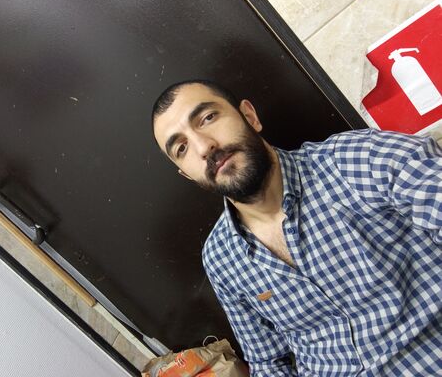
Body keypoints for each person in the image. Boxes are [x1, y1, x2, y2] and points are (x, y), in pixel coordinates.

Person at [151, 80, 442, 377]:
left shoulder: (356, 160)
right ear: (187, 174)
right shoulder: (220, 258)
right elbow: (268, 362)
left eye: (207, 118)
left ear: (249, 116)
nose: (204, 147)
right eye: (182, 148)